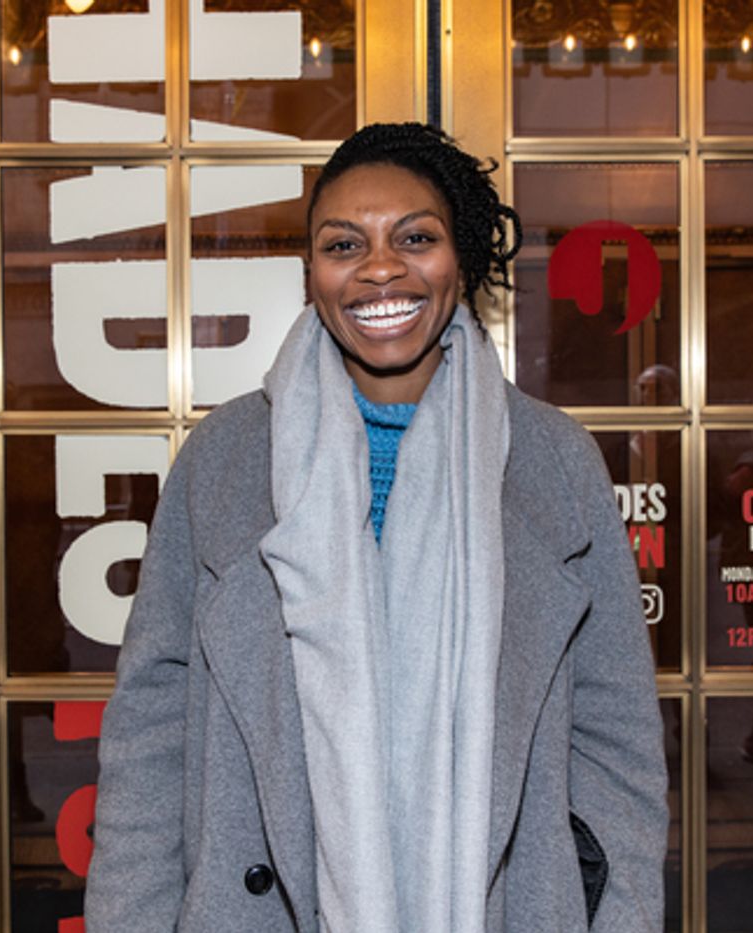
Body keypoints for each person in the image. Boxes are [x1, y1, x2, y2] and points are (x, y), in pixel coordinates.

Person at [85, 122, 667, 932]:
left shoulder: (554, 461)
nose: (380, 268)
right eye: (343, 243)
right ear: (311, 272)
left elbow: (617, 737)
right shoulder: (223, 459)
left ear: (460, 259)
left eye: (416, 237)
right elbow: (151, 727)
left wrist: (615, 910)